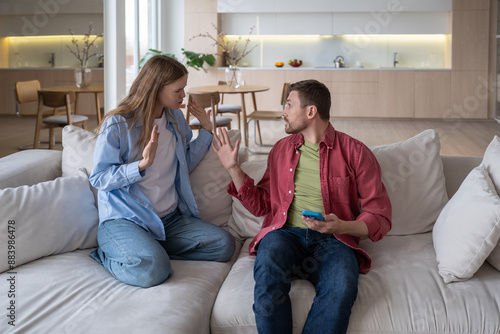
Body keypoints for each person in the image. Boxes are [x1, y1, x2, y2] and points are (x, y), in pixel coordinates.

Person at [212, 79, 392, 333]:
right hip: (285, 234)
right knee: (267, 272)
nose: (282, 112)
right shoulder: (281, 150)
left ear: (311, 111)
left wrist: (340, 225)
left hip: (335, 240)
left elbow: (380, 216)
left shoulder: (356, 153)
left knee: (341, 286)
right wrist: (233, 168)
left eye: (288, 105)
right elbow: (262, 204)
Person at [89, 55, 235, 288]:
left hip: (169, 220)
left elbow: (185, 162)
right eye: (178, 90)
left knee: (224, 244)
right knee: (154, 271)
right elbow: (99, 178)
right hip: (126, 220)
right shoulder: (118, 123)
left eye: (184, 89)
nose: (184, 96)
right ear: (156, 88)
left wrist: (207, 130)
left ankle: (150, 248)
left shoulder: (174, 117)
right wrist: (140, 166)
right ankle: (110, 254)